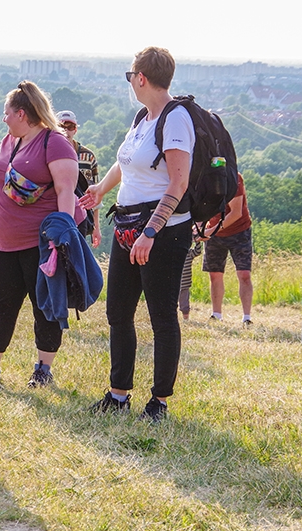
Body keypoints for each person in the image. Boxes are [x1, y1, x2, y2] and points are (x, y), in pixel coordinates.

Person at [82, 47, 195, 422]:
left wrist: (150, 231)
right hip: (128, 226)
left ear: (141, 78)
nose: (130, 81)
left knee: (162, 315)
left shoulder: (176, 120)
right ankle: (118, 394)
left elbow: (178, 182)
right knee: (118, 311)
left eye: (131, 75)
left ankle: (159, 402)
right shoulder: (143, 117)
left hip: (161, 232)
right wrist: (101, 189)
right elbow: (127, 160)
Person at [0, 80, 78, 387]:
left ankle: (43, 370)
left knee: (43, 305)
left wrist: (63, 234)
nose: (3, 119)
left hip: (39, 244)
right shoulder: (9, 141)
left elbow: (65, 190)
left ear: (21, 113)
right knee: (0, 306)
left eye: (6, 113)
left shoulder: (54, 143)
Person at [202, 172, 253, 325]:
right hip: (214, 230)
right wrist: (199, 226)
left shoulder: (233, 178)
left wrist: (210, 231)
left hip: (239, 231)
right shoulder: (203, 177)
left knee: (244, 274)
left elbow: (235, 213)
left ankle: (247, 317)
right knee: (214, 274)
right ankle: (216, 314)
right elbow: (202, 206)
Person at [56, 110, 102, 248]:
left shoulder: (88, 157)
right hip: (57, 216)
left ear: (75, 130)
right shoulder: (51, 154)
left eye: (70, 127)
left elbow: (95, 193)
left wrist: (96, 226)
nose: (66, 130)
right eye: (62, 126)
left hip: (82, 217)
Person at [178, 238, 203, 320]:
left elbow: (198, 251)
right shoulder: (174, 253)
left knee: (184, 303)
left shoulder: (189, 253)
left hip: (185, 282)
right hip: (174, 282)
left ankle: (186, 318)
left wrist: (197, 241)